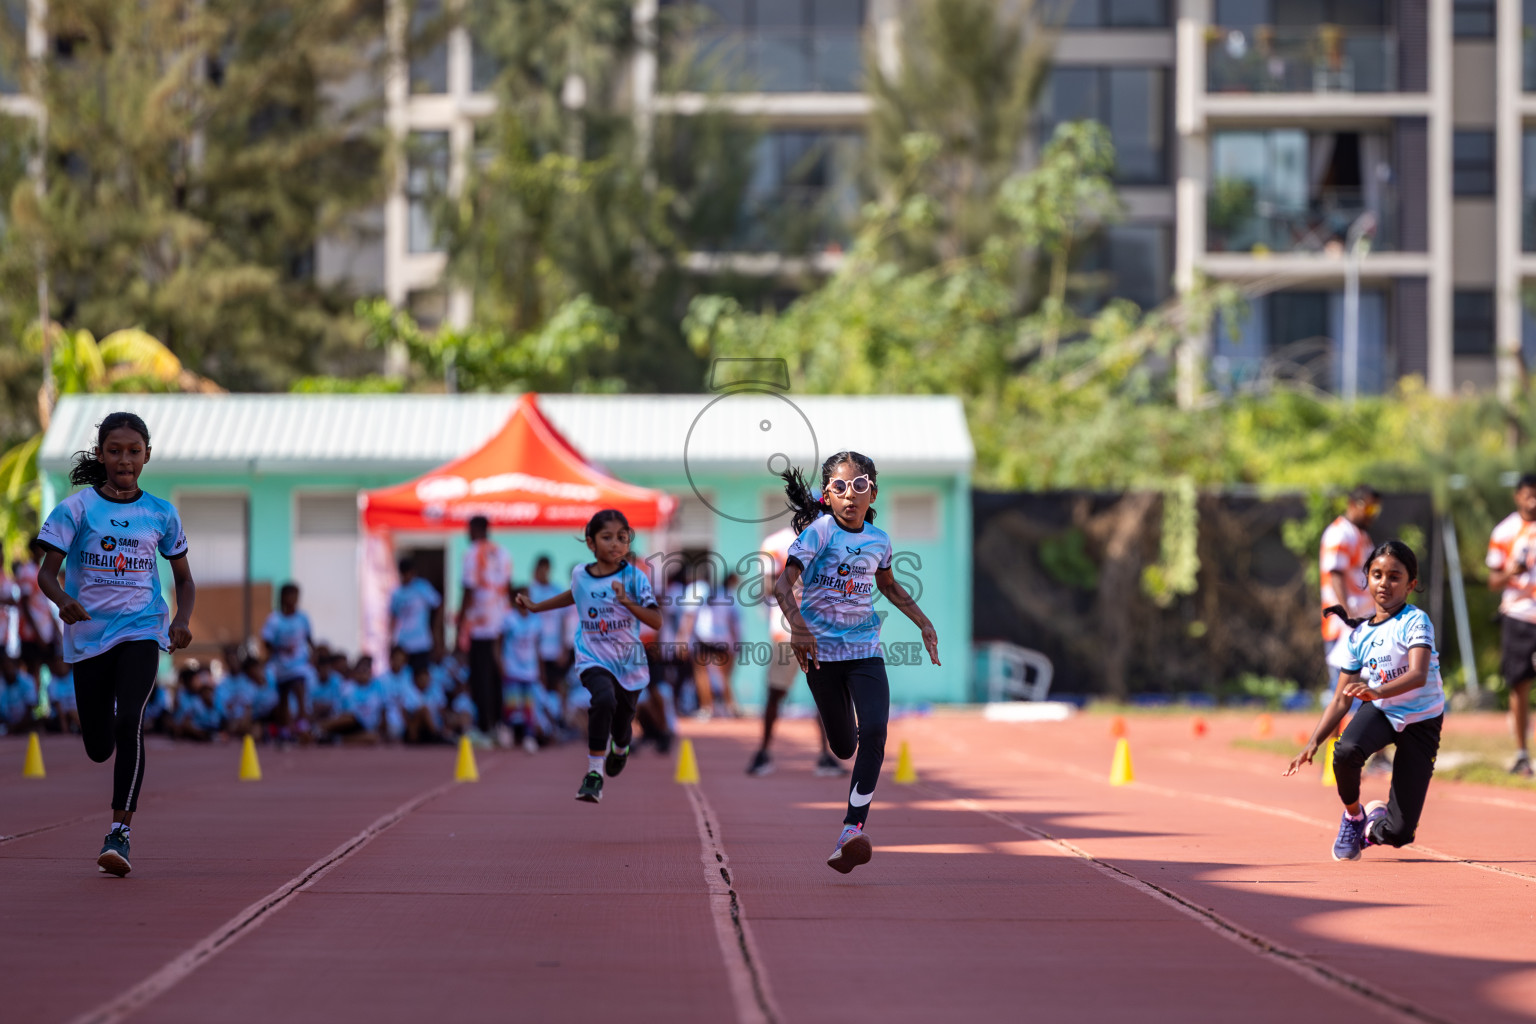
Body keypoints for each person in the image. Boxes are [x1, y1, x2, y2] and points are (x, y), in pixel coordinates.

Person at [34, 410, 196, 877]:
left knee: (132, 723)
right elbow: (47, 573)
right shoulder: (76, 510)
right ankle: (104, 752)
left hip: (142, 629)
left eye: (133, 451)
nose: (124, 460)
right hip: (89, 635)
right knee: (99, 746)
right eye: (114, 451)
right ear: (101, 454)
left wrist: (181, 620)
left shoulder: (162, 513)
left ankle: (119, 833)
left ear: (147, 455)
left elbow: (183, 580)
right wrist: (63, 599)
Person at [775, 452, 940, 874]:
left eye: (860, 486)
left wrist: (923, 623)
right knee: (844, 745)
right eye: (840, 487)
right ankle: (845, 784)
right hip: (820, 656)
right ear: (827, 496)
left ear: (873, 493)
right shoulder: (818, 534)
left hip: (865, 651)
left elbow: (887, 584)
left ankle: (852, 828)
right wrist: (797, 626)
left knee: (876, 731)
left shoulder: (879, 540)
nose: (851, 495)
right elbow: (782, 586)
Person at [1285, 540, 1446, 860]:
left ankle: (1372, 829)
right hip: (1383, 710)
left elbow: (1417, 674)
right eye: (1377, 574)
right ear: (1366, 579)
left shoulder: (1416, 621)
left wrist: (1377, 691)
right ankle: (1353, 816)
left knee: (1400, 833)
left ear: (1411, 585)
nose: (1384, 582)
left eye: (1394, 576)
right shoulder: (1358, 636)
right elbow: (1340, 700)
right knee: (1344, 752)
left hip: (1422, 717)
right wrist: (1313, 742)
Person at [516, 510, 662, 804]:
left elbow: (656, 620)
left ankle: (621, 747)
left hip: (628, 663)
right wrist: (537, 607)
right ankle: (594, 773)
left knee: (622, 724)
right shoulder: (580, 574)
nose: (615, 544)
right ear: (590, 542)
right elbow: (575, 593)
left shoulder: (635, 578)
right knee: (603, 699)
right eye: (606, 537)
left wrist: (626, 601)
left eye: (621, 538)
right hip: (592, 656)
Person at [748, 524, 843, 778]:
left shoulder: (831, 540)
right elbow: (768, 587)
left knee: (826, 695)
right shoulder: (776, 543)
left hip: (821, 630)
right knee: (775, 692)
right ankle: (763, 752)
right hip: (787, 629)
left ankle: (826, 755)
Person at [1487, 473, 1536, 777]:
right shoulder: (1504, 532)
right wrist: (1512, 572)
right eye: (1529, 494)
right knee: (1519, 685)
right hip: (1518, 616)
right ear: (1517, 496)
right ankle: (1521, 753)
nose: (1533, 500)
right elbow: (1493, 581)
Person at [456, 515, 512, 744]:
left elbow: (468, 591)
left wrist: (460, 622)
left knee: (480, 678)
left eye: (468, 529)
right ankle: (499, 725)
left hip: (480, 625)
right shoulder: (503, 553)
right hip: (501, 622)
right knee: (496, 676)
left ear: (477, 529)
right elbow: (506, 587)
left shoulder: (472, 553)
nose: (466, 533)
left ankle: (484, 727)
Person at [1320, 485, 1379, 693]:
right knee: (1341, 688)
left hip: (1361, 621)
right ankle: (1333, 727)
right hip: (1343, 624)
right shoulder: (1340, 534)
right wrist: (1347, 616)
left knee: (1360, 687)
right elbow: (1335, 575)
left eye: (1375, 510)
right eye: (1368, 509)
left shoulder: (1361, 535)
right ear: (1353, 505)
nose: (1371, 515)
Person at [261, 582, 313, 736]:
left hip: (299, 664)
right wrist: (278, 650)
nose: (292, 599)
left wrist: (314, 655)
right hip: (281, 665)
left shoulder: (303, 618)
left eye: (295, 595)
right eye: (288, 595)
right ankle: (284, 728)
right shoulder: (274, 619)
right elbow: (267, 641)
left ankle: (302, 724)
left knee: (299, 687)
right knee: (283, 696)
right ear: (282, 597)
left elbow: (309, 639)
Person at [498, 586, 543, 752]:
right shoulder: (509, 619)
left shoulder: (536, 621)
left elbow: (537, 647)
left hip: (530, 670)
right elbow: (498, 643)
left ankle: (529, 736)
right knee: (511, 703)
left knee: (529, 706)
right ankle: (507, 729)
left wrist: (540, 671)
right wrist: (501, 663)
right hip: (512, 668)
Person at [13, 539, 60, 681]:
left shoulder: (41, 570)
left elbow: (44, 603)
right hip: (31, 633)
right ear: (33, 549)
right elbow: (25, 604)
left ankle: (50, 701)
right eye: (40, 548)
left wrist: (54, 628)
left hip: (45, 630)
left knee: (53, 667)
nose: (42, 551)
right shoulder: (26, 571)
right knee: (33, 670)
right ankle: (34, 702)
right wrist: (37, 633)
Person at [390, 557, 441, 676]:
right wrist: (391, 641)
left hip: (421, 643)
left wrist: (435, 631)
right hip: (403, 644)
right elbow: (393, 617)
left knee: (421, 676)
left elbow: (438, 605)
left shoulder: (422, 588)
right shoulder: (397, 593)